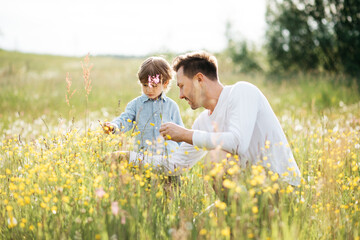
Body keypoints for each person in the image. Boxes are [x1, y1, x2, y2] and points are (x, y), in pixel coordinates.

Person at [128, 51, 301, 186]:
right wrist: (130, 158)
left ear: (199, 80)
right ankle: (237, 225)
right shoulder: (203, 122)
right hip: (250, 193)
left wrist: (185, 134)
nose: (180, 95)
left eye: (182, 86)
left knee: (215, 159)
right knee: (201, 223)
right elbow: (175, 165)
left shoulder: (242, 92)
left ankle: (241, 225)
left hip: (282, 187)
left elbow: (238, 142)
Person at [102, 56, 184, 158]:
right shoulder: (135, 105)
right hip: (144, 158)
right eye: (145, 85)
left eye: (154, 86)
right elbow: (125, 119)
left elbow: (180, 133)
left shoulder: (171, 106)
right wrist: (114, 126)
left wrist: (183, 157)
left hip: (169, 158)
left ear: (165, 83)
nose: (149, 90)